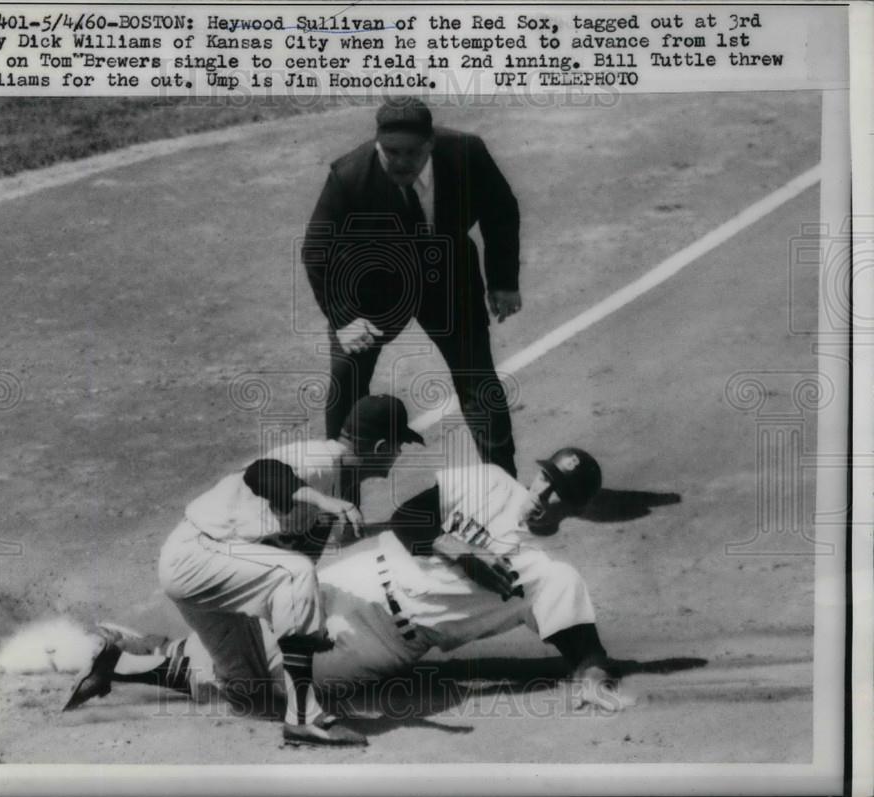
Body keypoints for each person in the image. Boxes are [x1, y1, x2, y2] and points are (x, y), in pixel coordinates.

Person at [59, 448, 631, 720]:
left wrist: (591, 677)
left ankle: (130, 660)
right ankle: (145, 654)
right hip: (357, 576)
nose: (543, 494)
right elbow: (410, 517)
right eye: (544, 478)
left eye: (558, 493)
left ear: (577, 508)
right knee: (253, 630)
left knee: (261, 689)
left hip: (381, 639)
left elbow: (582, 644)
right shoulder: (488, 482)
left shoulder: (547, 573)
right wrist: (451, 544)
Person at [64, 394, 424, 748]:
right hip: (196, 556)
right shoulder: (319, 461)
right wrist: (323, 501)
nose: (400, 453)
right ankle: (304, 720)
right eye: (399, 444)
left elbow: (329, 540)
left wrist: (391, 528)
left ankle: (115, 663)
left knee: (252, 696)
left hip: (214, 567)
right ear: (380, 446)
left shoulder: (337, 481)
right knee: (293, 573)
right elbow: (261, 473)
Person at [302, 97, 522, 476]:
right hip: (371, 287)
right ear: (376, 145)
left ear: (431, 144)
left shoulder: (467, 153)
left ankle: (502, 482)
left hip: (448, 275)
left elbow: (501, 211)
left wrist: (503, 281)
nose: (401, 162)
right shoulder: (350, 176)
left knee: (478, 378)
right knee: (346, 378)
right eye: (390, 152)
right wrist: (344, 318)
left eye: (411, 153)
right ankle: (338, 495)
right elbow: (316, 250)